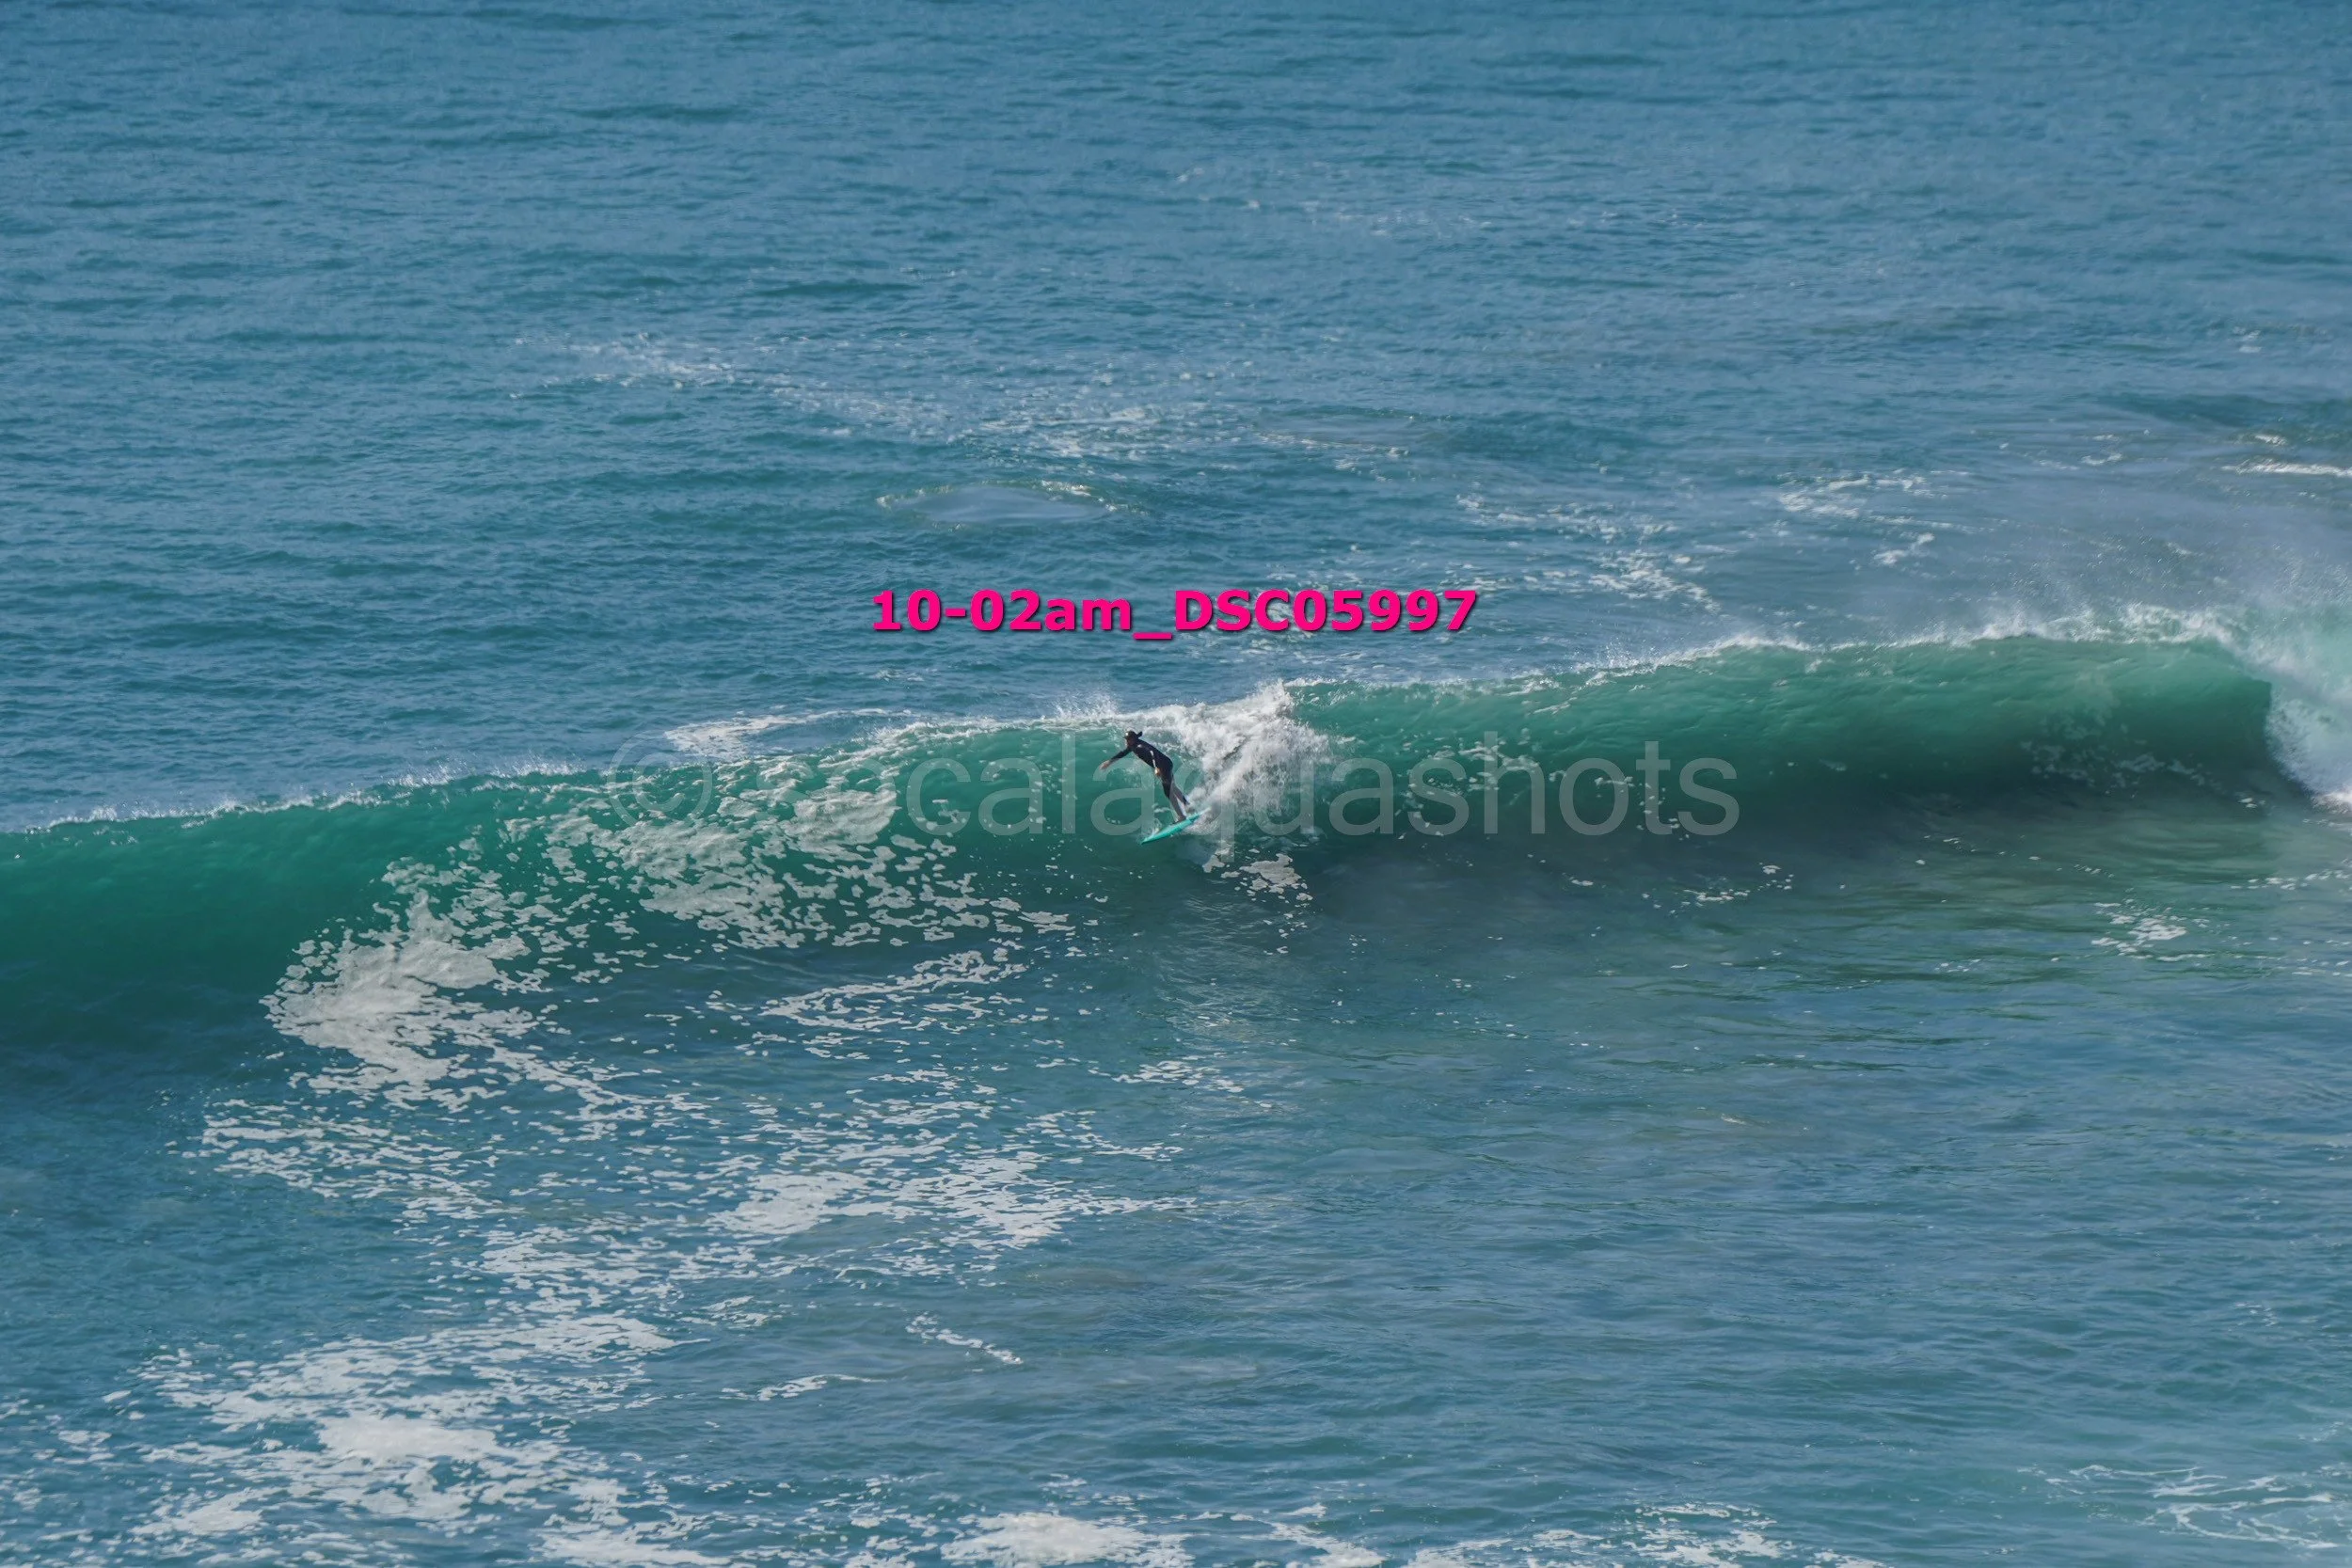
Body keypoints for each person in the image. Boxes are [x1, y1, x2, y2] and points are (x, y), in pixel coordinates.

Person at [1100, 730, 1191, 816]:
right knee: (1172, 788)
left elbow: (1152, 752)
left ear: (1133, 740)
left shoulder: (1139, 746)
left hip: (1164, 766)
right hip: (1166, 763)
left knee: (1168, 791)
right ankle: (1188, 807)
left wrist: (1156, 767)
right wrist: (1109, 762)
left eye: (1128, 739)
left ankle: (1181, 816)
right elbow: (1123, 753)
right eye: (1126, 739)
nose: (1126, 741)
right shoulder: (1132, 746)